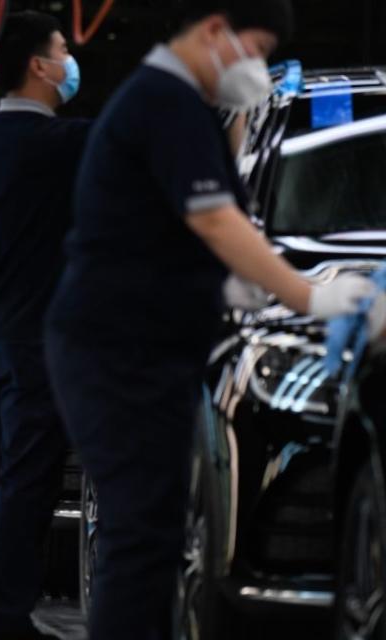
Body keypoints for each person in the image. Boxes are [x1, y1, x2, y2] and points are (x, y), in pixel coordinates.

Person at [43, 2, 386, 639]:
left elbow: (200, 217)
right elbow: (220, 219)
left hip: (127, 347)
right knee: (142, 540)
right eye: (252, 51)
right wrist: (309, 297)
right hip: (120, 355)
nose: (253, 67)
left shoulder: (175, 104)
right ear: (214, 33)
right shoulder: (166, 101)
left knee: (148, 536)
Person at [0, 11, 89, 640]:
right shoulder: (59, 145)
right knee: (26, 481)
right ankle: (6, 617)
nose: (70, 59)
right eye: (63, 49)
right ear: (39, 65)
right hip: (33, 338)